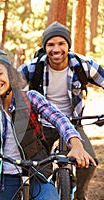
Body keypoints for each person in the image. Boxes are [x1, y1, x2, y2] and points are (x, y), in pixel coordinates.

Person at [0, 48, 96, 200]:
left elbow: (59, 119)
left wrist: (76, 144)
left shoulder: (31, 98)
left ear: (10, 75)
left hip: (37, 171)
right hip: (4, 177)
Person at [18, 21, 104, 200]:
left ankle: (79, 196)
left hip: (73, 124)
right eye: (50, 44)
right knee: (37, 166)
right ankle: (38, 194)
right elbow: (9, 90)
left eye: (61, 43)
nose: (56, 49)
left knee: (89, 164)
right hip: (43, 125)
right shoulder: (33, 67)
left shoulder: (83, 64)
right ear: (45, 47)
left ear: (68, 45)